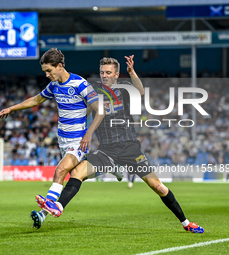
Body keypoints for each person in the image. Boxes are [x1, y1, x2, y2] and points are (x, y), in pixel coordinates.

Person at [35, 56, 204, 234]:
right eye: (102, 73)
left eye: (108, 73)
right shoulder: (93, 91)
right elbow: (83, 112)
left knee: (158, 187)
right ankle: (59, 206)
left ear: (116, 74)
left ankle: (186, 223)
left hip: (130, 149)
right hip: (107, 150)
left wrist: (132, 73)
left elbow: (140, 92)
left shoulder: (123, 90)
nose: (104, 76)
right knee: (77, 172)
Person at [0, 48, 105, 229]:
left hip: (79, 141)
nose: (47, 75)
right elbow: (37, 100)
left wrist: (89, 133)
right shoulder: (55, 86)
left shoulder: (80, 84)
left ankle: (47, 212)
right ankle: (107, 167)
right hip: (63, 141)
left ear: (60, 66)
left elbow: (100, 110)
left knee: (60, 171)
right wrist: (11, 108)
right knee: (78, 175)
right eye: (45, 71)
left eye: (49, 70)